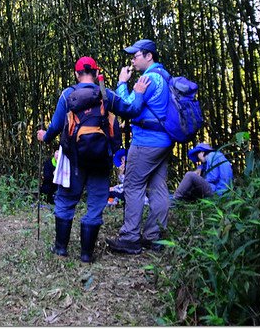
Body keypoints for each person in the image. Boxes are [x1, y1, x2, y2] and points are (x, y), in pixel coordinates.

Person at [36, 56, 149, 263]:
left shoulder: (68, 94)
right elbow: (131, 110)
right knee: (96, 203)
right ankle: (86, 254)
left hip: (73, 159)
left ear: (76, 74)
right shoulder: (105, 94)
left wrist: (45, 136)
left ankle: (61, 249)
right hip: (101, 158)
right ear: (97, 74)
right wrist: (139, 94)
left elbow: (55, 126)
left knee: (66, 200)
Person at [106, 39, 175, 255]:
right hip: (164, 141)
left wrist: (122, 82)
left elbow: (128, 107)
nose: (132, 60)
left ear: (149, 56)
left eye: (136, 56)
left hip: (146, 142)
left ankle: (130, 238)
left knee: (133, 185)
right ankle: (154, 237)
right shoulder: (165, 77)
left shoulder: (148, 79)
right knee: (158, 187)